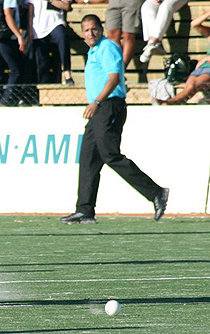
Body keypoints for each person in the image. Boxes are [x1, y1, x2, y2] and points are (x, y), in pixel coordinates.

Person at [60, 14, 169, 225]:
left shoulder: (107, 47)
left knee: (110, 154)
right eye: (86, 30)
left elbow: (114, 78)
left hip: (108, 106)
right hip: (99, 109)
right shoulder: (93, 51)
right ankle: (85, 210)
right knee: (88, 159)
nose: (90, 33)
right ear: (82, 34)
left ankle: (156, 192)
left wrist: (97, 102)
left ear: (100, 29)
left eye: (94, 29)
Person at [156, 10, 210, 105]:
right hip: (203, 67)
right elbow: (194, 24)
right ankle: (175, 101)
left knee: (194, 85)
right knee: (190, 84)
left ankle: (173, 101)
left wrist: (207, 59)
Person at [0, 0, 26, 106]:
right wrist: (19, 36)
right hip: (3, 39)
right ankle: (6, 100)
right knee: (17, 70)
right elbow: (8, 15)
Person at [27, 0, 75, 85]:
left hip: (55, 22)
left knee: (62, 39)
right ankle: (43, 85)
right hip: (38, 27)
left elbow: (66, 6)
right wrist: (30, 28)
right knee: (41, 58)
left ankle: (67, 73)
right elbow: (31, 8)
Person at [104, 0, 144, 68]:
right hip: (114, 2)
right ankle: (115, 68)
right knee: (112, 34)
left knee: (128, 34)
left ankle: (121, 70)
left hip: (132, 2)